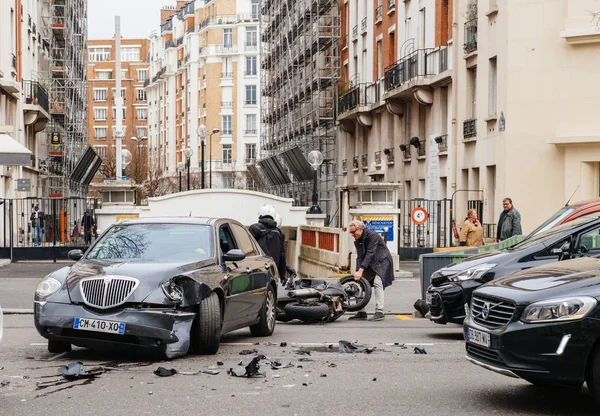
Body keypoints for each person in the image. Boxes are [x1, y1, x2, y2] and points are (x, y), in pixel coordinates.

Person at [348, 220, 394, 321]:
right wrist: (358, 272)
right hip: (371, 262)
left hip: (382, 261)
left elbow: (370, 253)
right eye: (350, 232)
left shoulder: (373, 236)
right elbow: (360, 257)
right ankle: (361, 311)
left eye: (353, 232)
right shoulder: (358, 240)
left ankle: (379, 311)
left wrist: (361, 270)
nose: (352, 234)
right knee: (359, 283)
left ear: (360, 229)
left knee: (378, 283)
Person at [249, 205, 294, 284]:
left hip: (257, 269)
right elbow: (282, 255)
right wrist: (283, 274)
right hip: (272, 270)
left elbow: (248, 250)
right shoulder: (280, 233)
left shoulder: (254, 229)